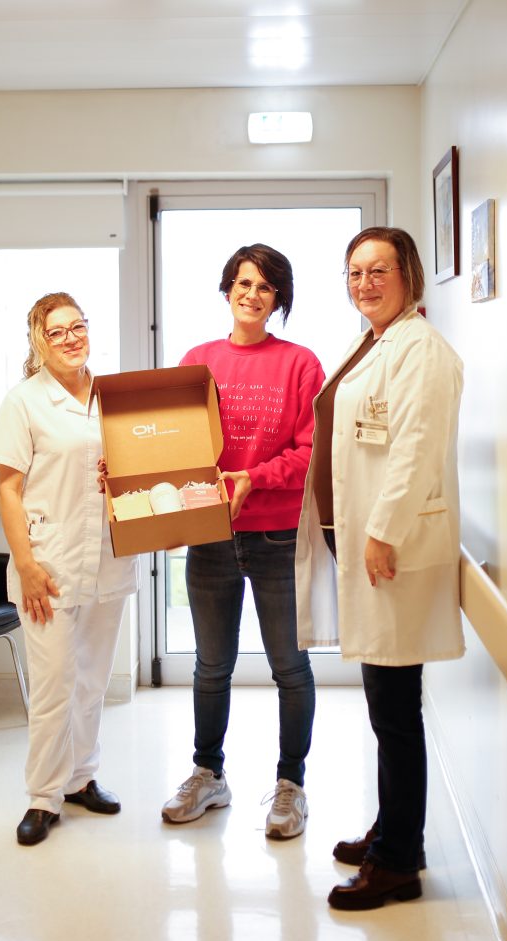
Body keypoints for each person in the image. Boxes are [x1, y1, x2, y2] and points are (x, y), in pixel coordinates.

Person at [295, 227, 465, 908]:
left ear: (409, 275)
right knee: (385, 706)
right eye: (354, 272)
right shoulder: (375, 341)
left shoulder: (420, 349)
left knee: (394, 712)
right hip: (363, 540)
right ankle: (395, 833)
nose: (364, 283)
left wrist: (383, 532)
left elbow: (416, 448)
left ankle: (397, 863)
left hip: (388, 547)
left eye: (378, 270)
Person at [161, 244, 325, 840]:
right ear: (227, 289)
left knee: (289, 666)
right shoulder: (198, 361)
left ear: (279, 298)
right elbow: (170, 441)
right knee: (211, 666)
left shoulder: (300, 364)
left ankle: (290, 785)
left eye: (265, 286)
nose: (252, 294)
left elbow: (312, 451)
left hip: (277, 535)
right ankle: (209, 774)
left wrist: (255, 476)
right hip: (209, 535)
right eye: (243, 282)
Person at [0, 292, 140, 847]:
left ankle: (80, 779)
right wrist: (26, 566)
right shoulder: (24, 402)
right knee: (54, 685)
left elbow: (133, 465)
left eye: (78, 326)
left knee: (93, 680)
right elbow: (7, 489)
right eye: (57, 331)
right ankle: (42, 797)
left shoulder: (112, 397)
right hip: (48, 563)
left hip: (108, 555)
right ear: (39, 341)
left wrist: (121, 471)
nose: (71, 338)